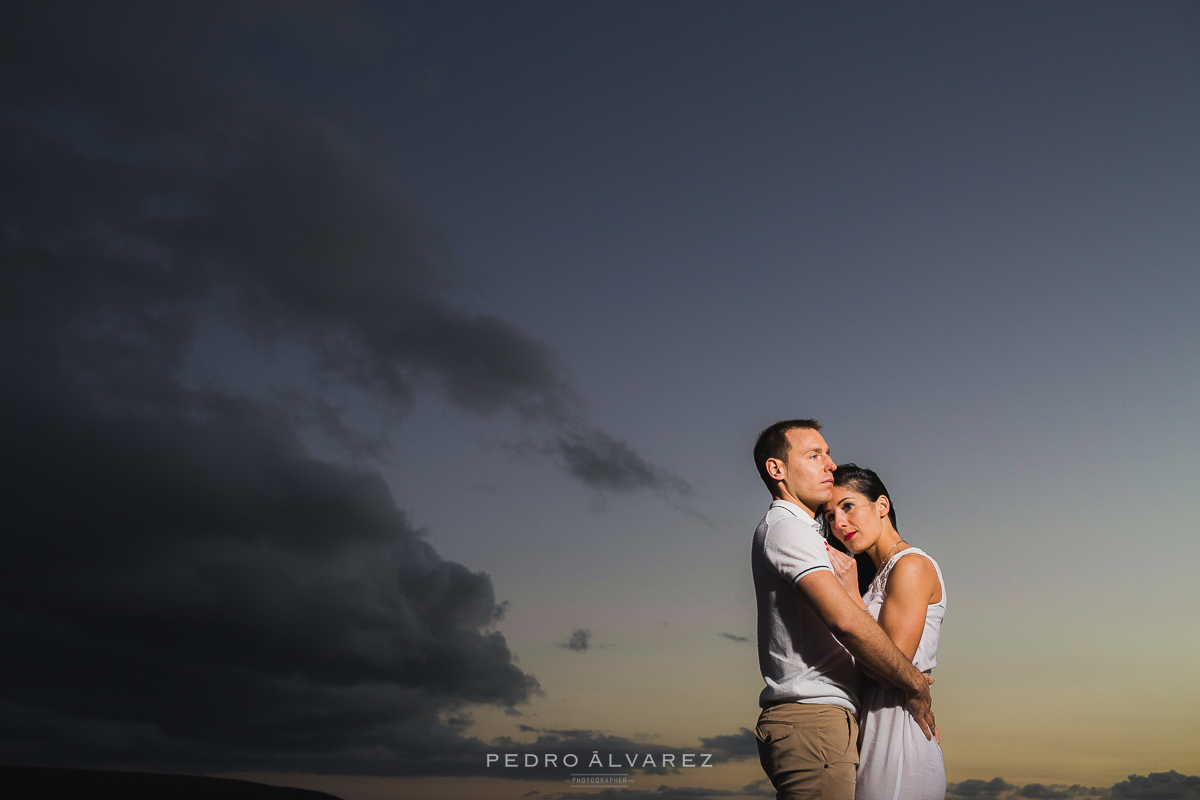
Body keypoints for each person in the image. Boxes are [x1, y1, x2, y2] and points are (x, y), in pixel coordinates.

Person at [751, 419, 936, 800]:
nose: (829, 464)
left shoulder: (900, 565)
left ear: (882, 506)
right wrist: (914, 682)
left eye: (828, 454)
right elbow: (847, 623)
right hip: (815, 718)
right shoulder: (789, 529)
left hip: (847, 723)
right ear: (777, 469)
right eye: (815, 455)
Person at [823, 463, 947, 800]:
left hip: (900, 733)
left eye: (847, 506)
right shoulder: (876, 577)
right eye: (830, 515)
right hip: (873, 728)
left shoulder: (910, 566)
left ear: (881, 506)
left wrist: (849, 596)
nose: (839, 523)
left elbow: (891, 665)